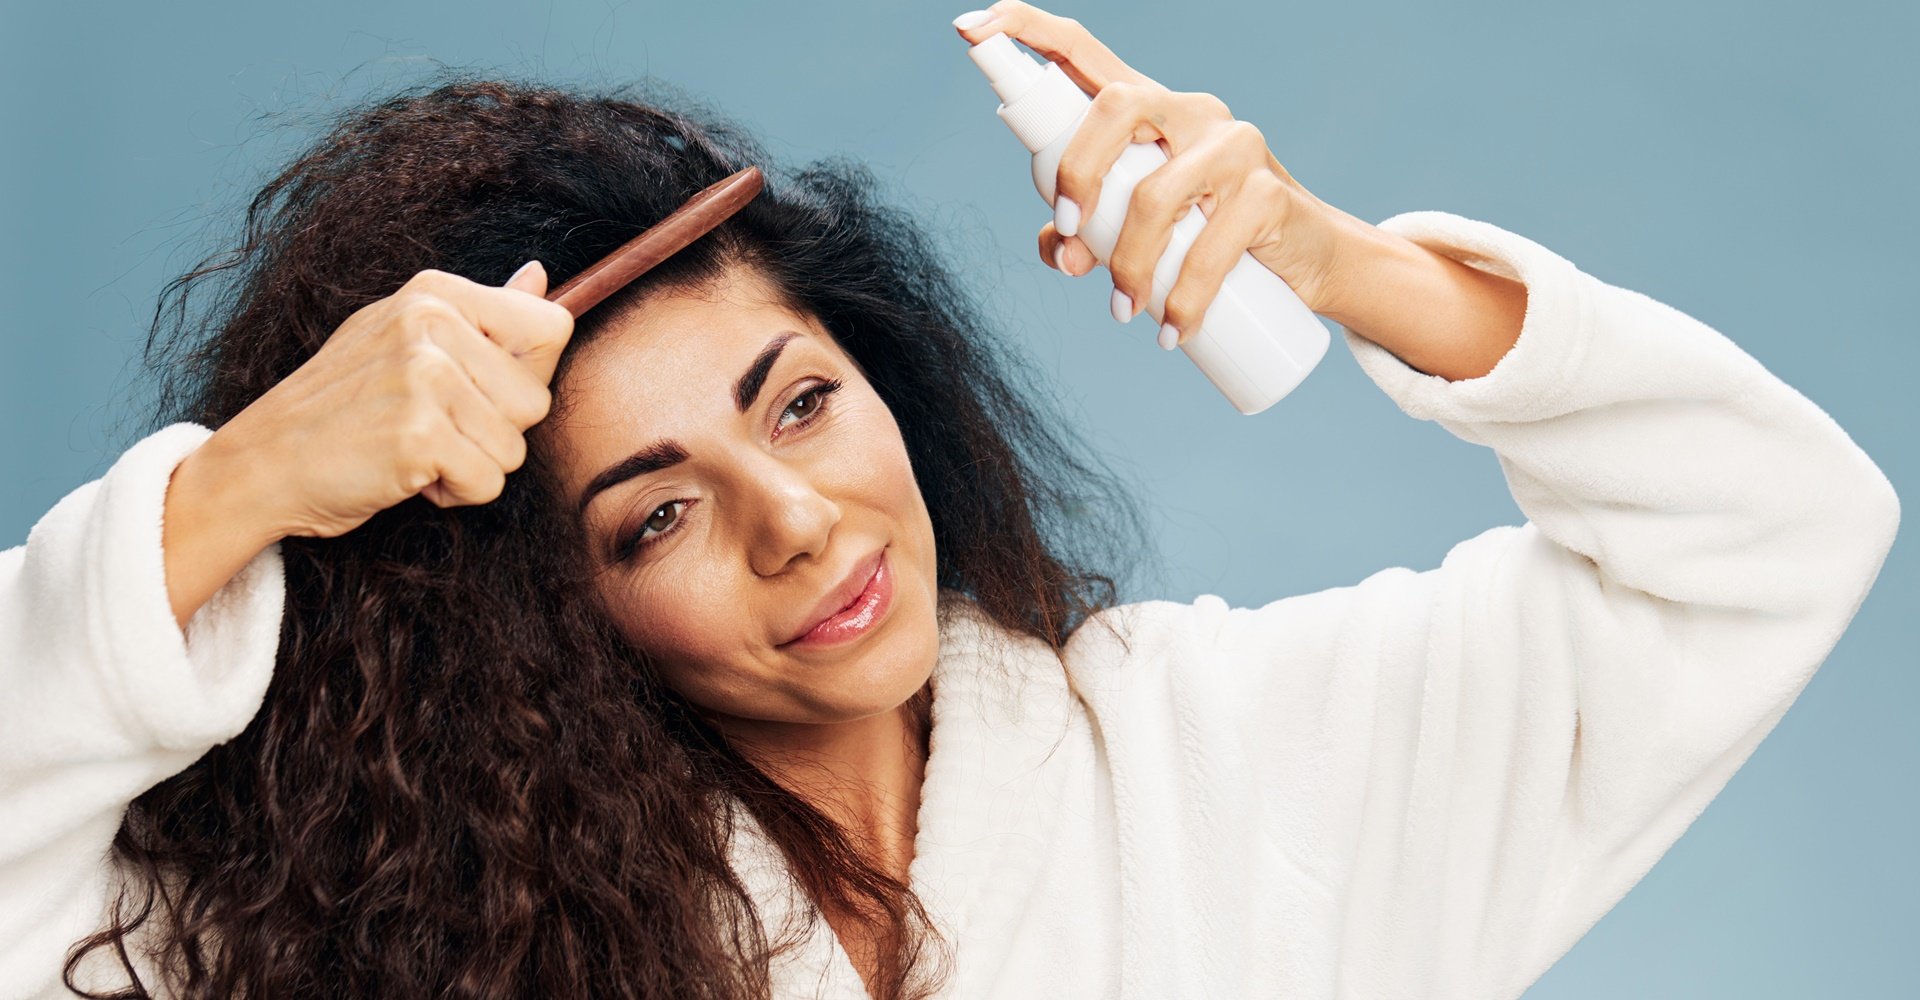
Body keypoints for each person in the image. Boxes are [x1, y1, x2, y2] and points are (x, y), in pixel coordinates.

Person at [0, 3, 1899, 998]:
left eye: (801, 402)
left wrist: (1340, 264)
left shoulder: (1238, 773)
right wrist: (247, 486)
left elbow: (1770, 533)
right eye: (650, 517)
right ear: (542, 617)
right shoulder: (421, 942)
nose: (798, 526)